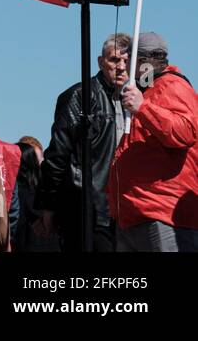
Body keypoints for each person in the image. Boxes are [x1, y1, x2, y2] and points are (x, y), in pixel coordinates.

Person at [35, 33, 129, 252]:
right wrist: (48, 206)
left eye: (127, 61)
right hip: (86, 209)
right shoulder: (80, 96)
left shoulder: (133, 101)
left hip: (122, 212)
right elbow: (57, 154)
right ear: (100, 61)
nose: (122, 67)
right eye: (115, 60)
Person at [108, 32, 198, 252]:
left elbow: (186, 132)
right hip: (136, 212)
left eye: (130, 61)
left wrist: (143, 108)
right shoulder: (148, 90)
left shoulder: (173, 86)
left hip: (160, 211)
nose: (125, 67)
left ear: (144, 63)